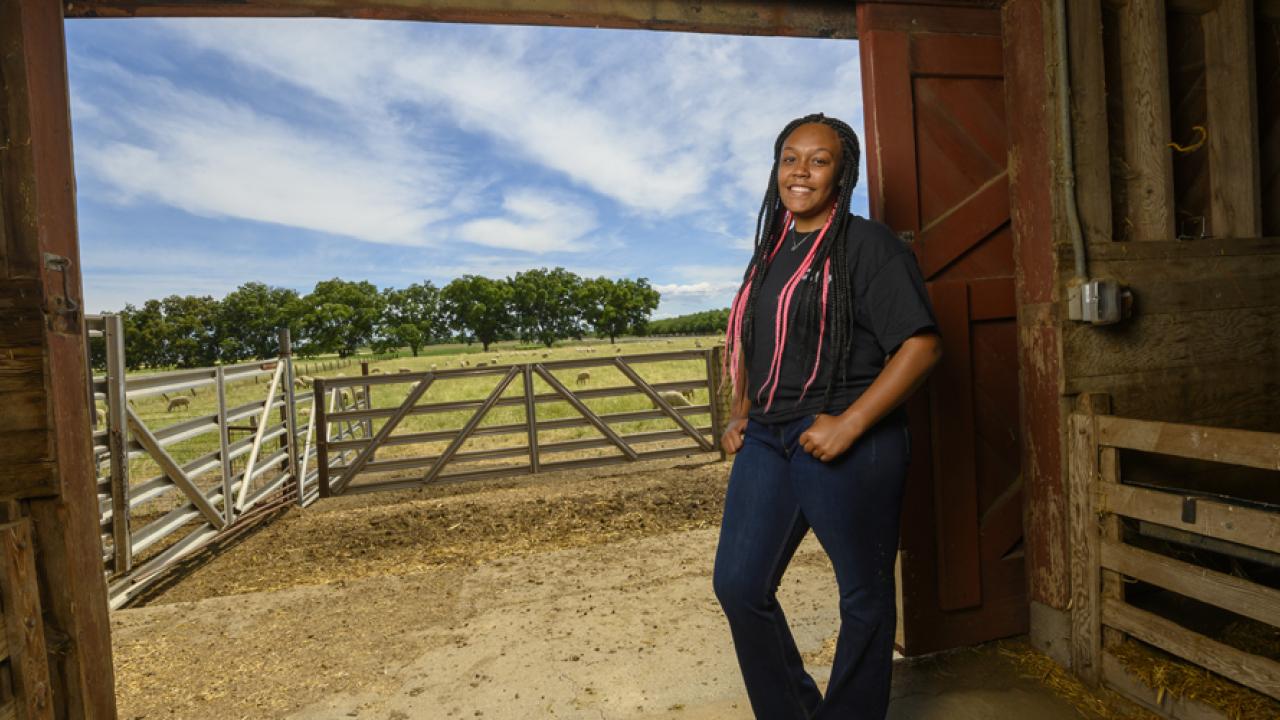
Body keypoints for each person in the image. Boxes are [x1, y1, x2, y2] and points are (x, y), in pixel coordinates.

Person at [713, 113, 942, 719]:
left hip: (847, 439)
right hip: (768, 436)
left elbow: (921, 347)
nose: (801, 171)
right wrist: (742, 410)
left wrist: (848, 424)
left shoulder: (869, 246)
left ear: (843, 174)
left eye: (819, 160)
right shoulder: (769, 254)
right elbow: (752, 339)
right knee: (739, 585)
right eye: (790, 157)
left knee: (863, 598)